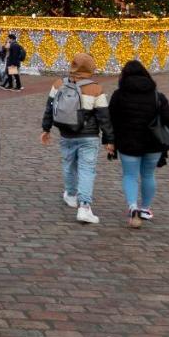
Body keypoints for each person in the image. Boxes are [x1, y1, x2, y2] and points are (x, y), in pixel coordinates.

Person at [41, 52, 112, 224]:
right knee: (87, 169)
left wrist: (46, 128)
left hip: (66, 133)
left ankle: (71, 195)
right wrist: (109, 140)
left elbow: (50, 107)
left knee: (68, 164)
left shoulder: (58, 84)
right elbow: (104, 117)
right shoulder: (96, 89)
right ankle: (84, 207)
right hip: (89, 136)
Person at [107, 61, 169, 228]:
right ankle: (145, 208)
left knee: (130, 175)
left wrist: (109, 141)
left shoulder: (119, 95)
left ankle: (133, 207)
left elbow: (110, 120)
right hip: (153, 142)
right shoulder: (156, 95)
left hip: (127, 142)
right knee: (148, 175)